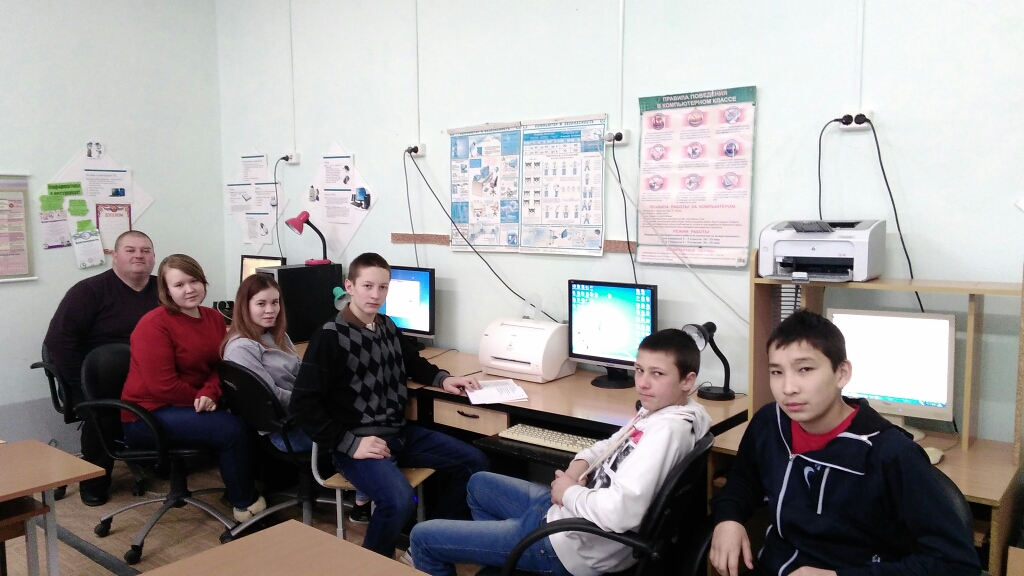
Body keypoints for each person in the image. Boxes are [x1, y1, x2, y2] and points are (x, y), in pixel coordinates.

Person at [407, 328, 712, 576]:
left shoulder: (666, 432)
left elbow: (620, 514)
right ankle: (507, 560)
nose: (643, 383)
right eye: (639, 370)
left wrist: (567, 493)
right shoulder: (663, 409)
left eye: (657, 374)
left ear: (688, 381)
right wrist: (576, 468)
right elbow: (607, 445)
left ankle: (519, 554)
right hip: (569, 515)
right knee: (478, 484)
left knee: (423, 538)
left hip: (569, 544)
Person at [709, 310, 980, 576]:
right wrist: (728, 518)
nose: (788, 387)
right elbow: (743, 480)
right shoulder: (770, 422)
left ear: (842, 373)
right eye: (777, 372)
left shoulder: (889, 453)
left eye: (805, 369)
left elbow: (956, 564)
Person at [291, 252, 490, 558]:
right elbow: (303, 404)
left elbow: (413, 362)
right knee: (398, 501)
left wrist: (443, 379)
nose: (376, 294)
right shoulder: (330, 337)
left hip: (398, 434)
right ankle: (373, 565)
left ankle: (425, 545)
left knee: (475, 463)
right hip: (358, 444)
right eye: (368, 286)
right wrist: (350, 444)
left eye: (383, 287)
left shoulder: (386, 325)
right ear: (349, 287)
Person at [120, 254, 265, 522]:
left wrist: (210, 392)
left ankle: (248, 486)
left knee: (255, 412)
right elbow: (163, 387)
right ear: (166, 290)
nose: (189, 289)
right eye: (179, 285)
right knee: (232, 430)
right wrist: (208, 400)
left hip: (194, 403)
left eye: (194, 281)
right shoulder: (153, 325)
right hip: (147, 414)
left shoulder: (213, 317)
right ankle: (245, 506)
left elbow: (221, 365)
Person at [43, 230, 158, 506]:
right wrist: (83, 385)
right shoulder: (88, 291)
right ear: (115, 256)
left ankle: (159, 460)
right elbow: (59, 341)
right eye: (130, 250)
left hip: (147, 377)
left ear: (154, 257)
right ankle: (94, 480)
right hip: (95, 380)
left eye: (145, 250)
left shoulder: (164, 289)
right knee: (103, 414)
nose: (139, 256)